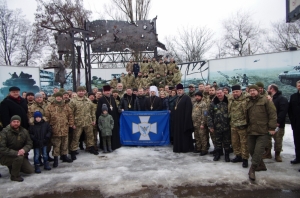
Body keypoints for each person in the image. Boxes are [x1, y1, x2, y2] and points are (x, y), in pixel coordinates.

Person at [246, 85, 277, 181]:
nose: (252, 92)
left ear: (258, 91)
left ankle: (252, 169)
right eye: (250, 90)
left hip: (263, 131)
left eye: (254, 90)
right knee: (251, 149)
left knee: (258, 150)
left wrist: (272, 128)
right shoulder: (247, 101)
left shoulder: (266, 100)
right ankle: (262, 165)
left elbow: (273, 114)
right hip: (251, 131)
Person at [0, 115, 34, 182]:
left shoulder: (24, 131)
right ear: (10, 122)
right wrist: (16, 153)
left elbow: (29, 143)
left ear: (20, 122)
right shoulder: (4, 132)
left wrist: (24, 150)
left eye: (18, 122)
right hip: (5, 156)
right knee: (19, 158)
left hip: (20, 155)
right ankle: (14, 176)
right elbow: (2, 148)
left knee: (30, 170)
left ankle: (14, 167)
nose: (16, 123)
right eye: (14, 121)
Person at [69, 86, 98, 159]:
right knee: (76, 137)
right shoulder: (73, 101)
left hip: (88, 122)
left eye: (83, 91)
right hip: (78, 123)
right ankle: (73, 151)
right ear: (77, 92)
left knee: (90, 136)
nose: (81, 92)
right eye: (80, 91)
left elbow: (92, 111)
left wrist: (93, 120)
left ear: (85, 92)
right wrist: (72, 123)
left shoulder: (88, 100)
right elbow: (70, 113)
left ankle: (91, 147)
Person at [45, 92, 74, 167]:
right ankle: (55, 159)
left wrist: (70, 125)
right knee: (56, 145)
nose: (58, 98)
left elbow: (70, 116)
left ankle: (64, 156)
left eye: (60, 97)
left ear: (62, 97)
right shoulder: (50, 107)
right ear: (55, 97)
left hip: (65, 128)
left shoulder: (66, 106)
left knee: (65, 144)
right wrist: (48, 128)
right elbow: (47, 118)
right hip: (55, 129)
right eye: (57, 97)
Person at [264, 84, 288, 162]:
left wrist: (278, 122)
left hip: (278, 125)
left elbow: (283, 111)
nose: (267, 90)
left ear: (272, 89)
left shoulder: (282, 99)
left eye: (268, 89)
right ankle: (268, 153)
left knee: (278, 140)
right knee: (267, 139)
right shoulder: (269, 98)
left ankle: (277, 155)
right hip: (268, 123)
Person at [228, 85, 249, 168]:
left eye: (236, 91)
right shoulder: (231, 99)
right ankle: (238, 156)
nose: (235, 93)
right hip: (233, 124)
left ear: (241, 91)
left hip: (243, 125)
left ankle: (245, 159)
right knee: (235, 142)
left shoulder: (247, 98)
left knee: (244, 143)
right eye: (233, 92)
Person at [207, 88, 230, 162]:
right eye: (218, 93)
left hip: (227, 126)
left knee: (227, 142)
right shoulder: (213, 103)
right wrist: (211, 125)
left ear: (223, 93)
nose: (219, 95)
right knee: (217, 142)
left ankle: (227, 155)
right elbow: (209, 115)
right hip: (217, 126)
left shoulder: (228, 101)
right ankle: (218, 154)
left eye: (220, 93)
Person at [96, 85, 121, 150]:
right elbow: (99, 111)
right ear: (103, 92)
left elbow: (114, 108)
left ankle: (114, 145)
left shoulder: (112, 98)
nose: (108, 92)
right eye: (106, 91)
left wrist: (119, 110)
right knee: (105, 134)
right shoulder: (101, 99)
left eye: (108, 91)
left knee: (113, 132)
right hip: (105, 120)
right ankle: (105, 147)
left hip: (113, 119)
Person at [171, 83, 194, 153]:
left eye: (180, 90)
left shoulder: (187, 98)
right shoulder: (177, 98)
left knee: (184, 135)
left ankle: (185, 148)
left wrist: (186, 121)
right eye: (178, 90)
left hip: (184, 121)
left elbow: (188, 110)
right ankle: (178, 148)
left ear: (183, 90)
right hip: (177, 121)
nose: (179, 91)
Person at [192, 91, 208, 156]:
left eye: (198, 96)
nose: (197, 97)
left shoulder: (203, 104)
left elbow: (205, 114)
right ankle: (198, 148)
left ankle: (204, 149)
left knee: (203, 137)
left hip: (201, 124)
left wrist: (202, 123)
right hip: (195, 124)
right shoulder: (195, 104)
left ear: (201, 97)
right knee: (197, 137)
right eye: (196, 96)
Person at [288, 80, 300, 167]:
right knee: (297, 142)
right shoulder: (293, 96)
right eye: (298, 85)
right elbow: (290, 110)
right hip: (296, 123)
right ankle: (298, 158)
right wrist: (292, 120)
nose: (299, 86)